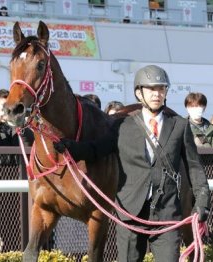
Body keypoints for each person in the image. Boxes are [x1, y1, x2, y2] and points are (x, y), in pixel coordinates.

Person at [53, 65, 210, 262]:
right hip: (129, 214)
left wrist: (203, 202)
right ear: (139, 92)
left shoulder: (180, 125)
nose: (157, 94)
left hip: (167, 214)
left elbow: (195, 168)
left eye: (161, 89)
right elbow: (96, 150)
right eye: (152, 89)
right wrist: (72, 148)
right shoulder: (121, 126)